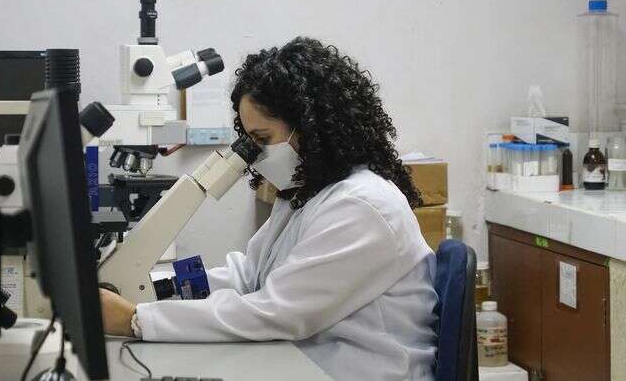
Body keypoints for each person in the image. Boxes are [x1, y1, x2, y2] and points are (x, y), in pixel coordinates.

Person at [100, 37, 438, 380]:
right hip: (308, 362)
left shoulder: (361, 206)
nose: (256, 155)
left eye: (262, 139)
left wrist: (135, 320)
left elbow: (276, 312)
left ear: (310, 126)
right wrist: (155, 288)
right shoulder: (308, 195)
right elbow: (248, 275)